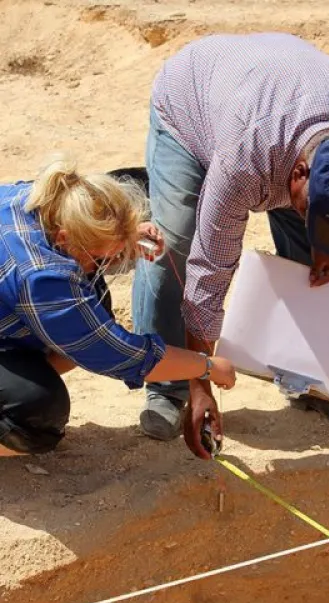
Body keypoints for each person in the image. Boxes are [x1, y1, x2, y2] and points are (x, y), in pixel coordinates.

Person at [133, 32, 329, 459]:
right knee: (177, 243)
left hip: (276, 92)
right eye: (313, 212)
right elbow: (210, 272)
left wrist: (327, 247)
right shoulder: (245, 160)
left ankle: (312, 380)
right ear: (297, 174)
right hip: (193, 101)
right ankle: (168, 387)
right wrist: (201, 382)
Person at [0, 157, 235, 458]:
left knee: (93, 299)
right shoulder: (42, 279)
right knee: (35, 409)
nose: (108, 265)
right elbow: (116, 353)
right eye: (99, 258)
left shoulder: (42, 199)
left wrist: (122, 240)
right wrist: (207, 366)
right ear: (64, 238)